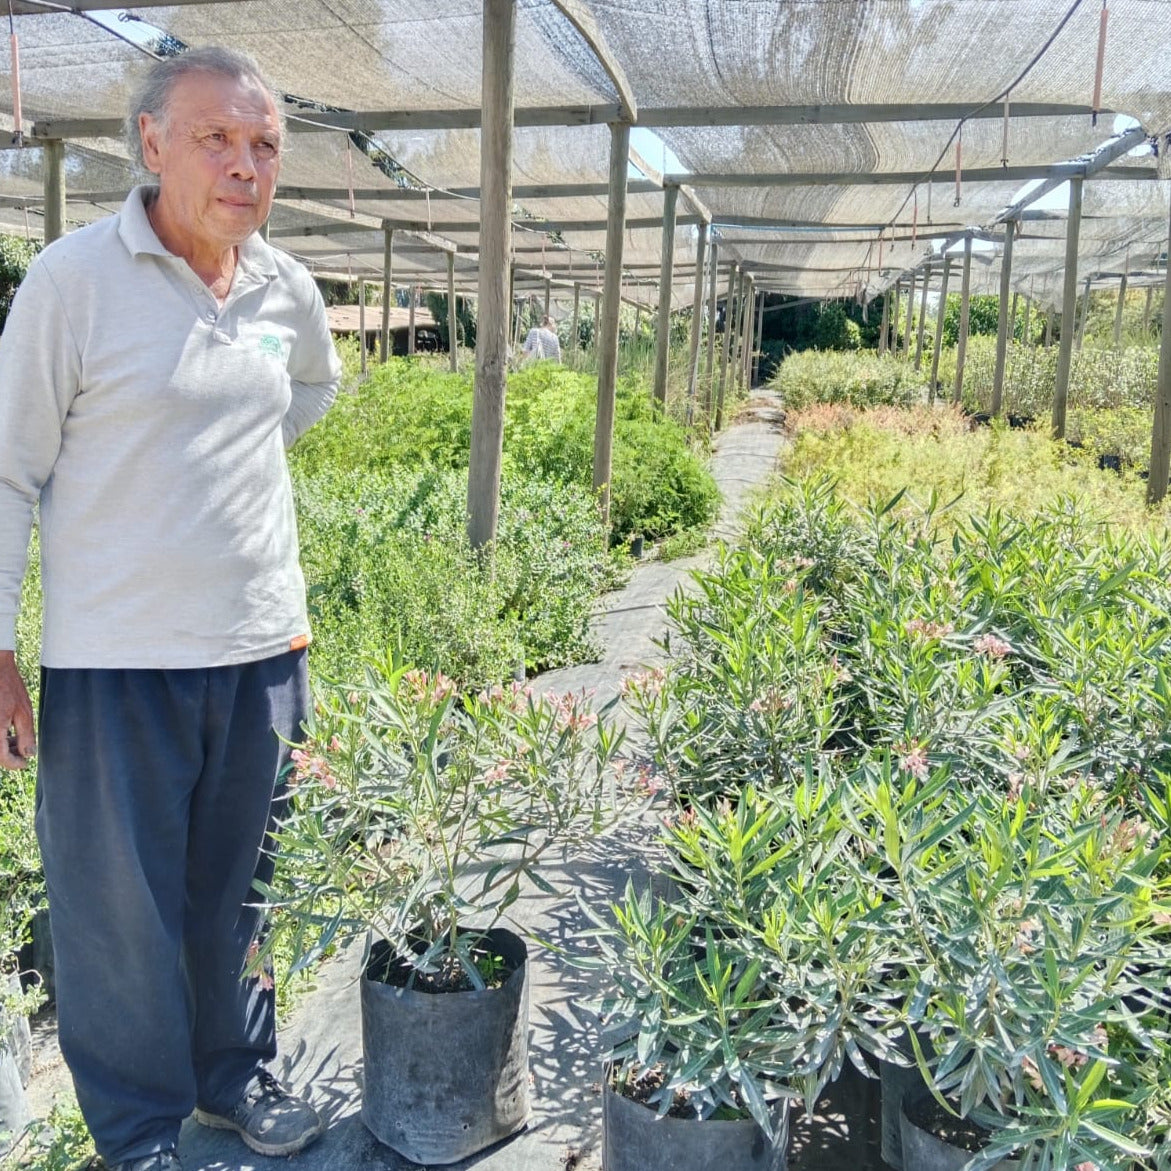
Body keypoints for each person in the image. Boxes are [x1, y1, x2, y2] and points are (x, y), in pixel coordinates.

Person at [0, 48, 342, 1171]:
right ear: (150, 143)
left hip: (262, 649)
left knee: (243, 891)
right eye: (217, 139)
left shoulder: (284, 286)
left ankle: (235, 1079)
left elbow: (307, 390)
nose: (246, 166)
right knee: (116, 913)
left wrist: (215, 457)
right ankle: (140, 1133)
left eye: (265, 145)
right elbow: (7, 472)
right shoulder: (72, 283)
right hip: (115, 660)